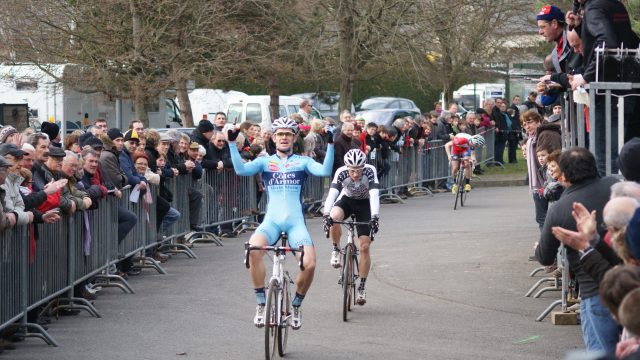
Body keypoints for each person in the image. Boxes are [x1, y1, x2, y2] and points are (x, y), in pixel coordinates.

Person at [227, 117, 334, 330]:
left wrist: (330, 144)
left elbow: (324, 171)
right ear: (274, 138)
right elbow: (240, 170)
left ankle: (296, 305)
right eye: (280, 134)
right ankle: (260, 303)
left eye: (288, 134)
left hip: (295, 224)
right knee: (252, 251)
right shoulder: (264, 162)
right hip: (272, 222)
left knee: (310, 263)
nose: (284, 137)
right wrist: (231, 144)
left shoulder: (303, 161)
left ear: (294, 138)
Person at [535, 147, 620, 352]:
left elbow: (545, 257)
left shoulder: (560, 209)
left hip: (595, 292)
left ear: (563, 175)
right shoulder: (616, 186)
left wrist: (538, 247)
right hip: (629, 279)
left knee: (601, 352)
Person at [322, 149, 380, 305]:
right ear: (347, 167)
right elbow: (332, 194)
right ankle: (336, 249)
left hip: (365, 205)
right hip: (346, 201)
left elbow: (374, 195)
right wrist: (326, 214)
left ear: (363, 166)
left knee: (365, 247)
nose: (355, 173)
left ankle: (361, 287)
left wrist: (375, 217)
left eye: (358, 170)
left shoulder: (370, 171)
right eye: (352, 170)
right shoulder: (341, 172)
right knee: (333, 218)